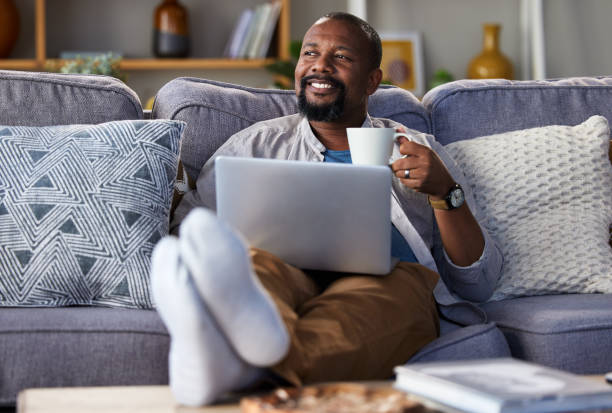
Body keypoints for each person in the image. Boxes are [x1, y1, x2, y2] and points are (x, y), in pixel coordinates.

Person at [151, 12, 503, 406]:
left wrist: (444, 192)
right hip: (287, 275)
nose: (320, 65)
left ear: (372, 80)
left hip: (384, 281)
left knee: (372, 306)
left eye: (341, 57)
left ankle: (235, 364)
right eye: (310, 53)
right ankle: (248, 335)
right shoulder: (253, 146)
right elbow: (191, 230)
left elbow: (479, 283)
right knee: (254, 267)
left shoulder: (418, 149)